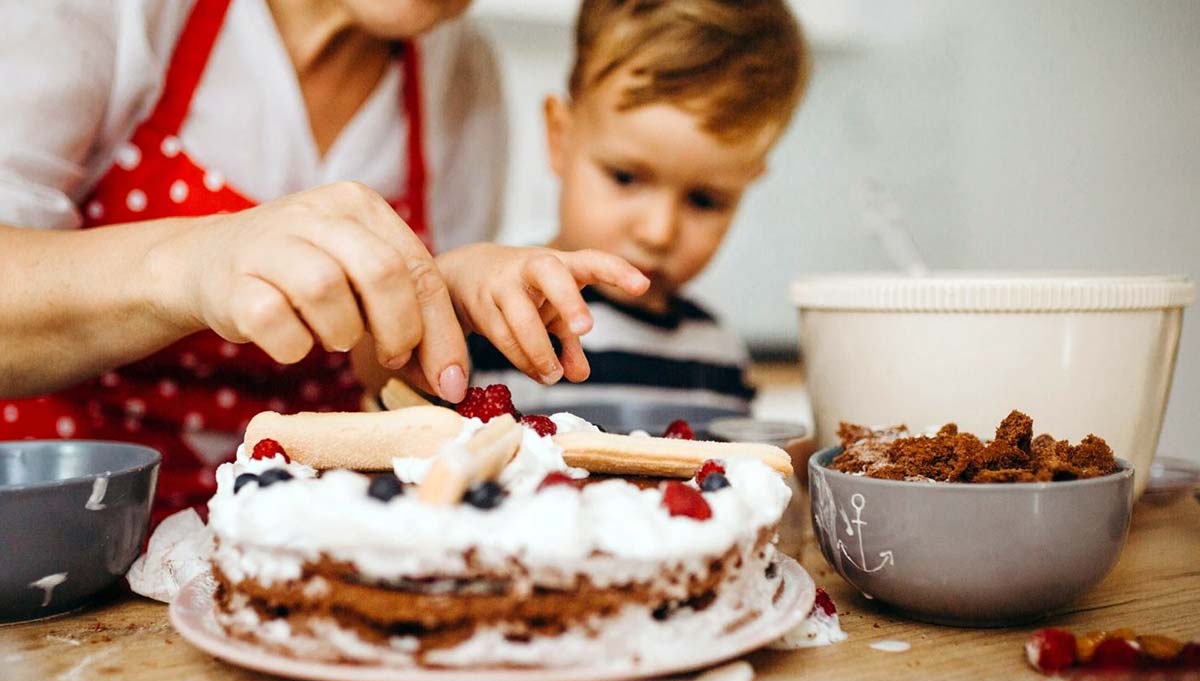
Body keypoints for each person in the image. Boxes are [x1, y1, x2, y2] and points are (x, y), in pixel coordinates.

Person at [0, 0, 646, 520]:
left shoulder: (463, 71)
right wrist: (194, 262)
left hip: (304, 545)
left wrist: (436, 300)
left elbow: (380, 380)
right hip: (63, 526)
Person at [469, 0, 810, 419]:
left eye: (704, 200)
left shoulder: (719, 356)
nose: (658, 232)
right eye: (626, 177)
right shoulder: (495, 313)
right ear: (561, 138)